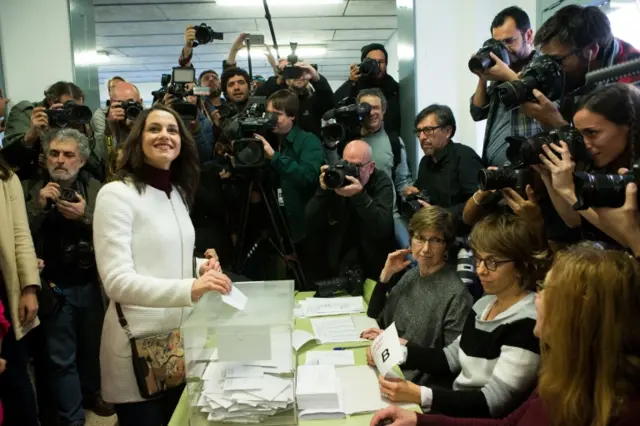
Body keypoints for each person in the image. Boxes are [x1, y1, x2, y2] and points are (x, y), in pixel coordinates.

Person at [370, 243, 640, 426]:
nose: (538, 298)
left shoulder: (621, 411)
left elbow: (493, 403)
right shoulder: (562, 376)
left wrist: (421, 398)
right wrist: (418, 420)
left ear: (580, 316)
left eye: (549, 289)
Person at [93, 105, 233, 426]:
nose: (164, 136)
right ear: (137, 139)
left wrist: (199, 267)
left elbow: (164, 255)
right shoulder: (116, 195)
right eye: (154, 129)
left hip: (177, 347)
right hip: (137, 351)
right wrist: (191, 288)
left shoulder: (177, 194)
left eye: (172, 130)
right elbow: (116, 281)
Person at [373, 214, 545, 418]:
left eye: (492, 262)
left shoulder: (527, 322)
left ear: (521, 266)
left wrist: (421, 395)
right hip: (456, 410)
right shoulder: (484, 304)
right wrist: (389, 351)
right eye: (479, 259)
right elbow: (450, 357)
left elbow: (493, 402)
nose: (480, 270)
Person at [364, 206, 472, 373]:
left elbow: (454, 362)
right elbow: (375, 316)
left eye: (436, 240)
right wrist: (385, 277)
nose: (426, 248)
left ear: (447, 246)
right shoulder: (411, 275)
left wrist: (403, 345)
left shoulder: (457, 295)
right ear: (410, 241)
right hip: (389, 363)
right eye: (420, 238)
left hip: (416, 379)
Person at [536, 83, 640, 250]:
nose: (584, 144)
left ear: (629, 126)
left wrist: (568, 190)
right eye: (580, 135)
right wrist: (548, 176)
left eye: (592, 133)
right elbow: (574, 220)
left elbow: (628, 237)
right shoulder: (600, 165)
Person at [305, 140, 395, 283]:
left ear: (371, 167)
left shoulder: (380, 181)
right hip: (337, 260)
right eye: (346, 164)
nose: (350, 171)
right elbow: (309, 220)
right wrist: (324, 191)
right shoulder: (336, 179)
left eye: (356, 166)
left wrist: (359, 195)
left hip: (372, 262)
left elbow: (383, 227)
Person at [470, 6, 543, 167]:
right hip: (496, 171)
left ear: (528, 36)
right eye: (498, 44)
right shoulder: (501, 71)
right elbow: (477, 112)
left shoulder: (542, 67)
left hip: (530, 170)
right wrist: (482, 76)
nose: (504, 49)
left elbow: (542, 106)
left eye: (509, 41)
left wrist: (506, 74)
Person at [0, 151, 41, 426]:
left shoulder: (5, 176)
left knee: (16, 383)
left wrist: (29, 287)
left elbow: (20, 234)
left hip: (5, 294)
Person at [403, 104, 483, 229]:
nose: (422, 137)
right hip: (436, 231)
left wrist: (439, 214)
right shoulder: (425, 162)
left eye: (428, 130)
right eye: (419, 131)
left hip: (465, 232)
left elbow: (479, 203)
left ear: (447, 131)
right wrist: (414, 192)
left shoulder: (465, 157)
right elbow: (422, 191)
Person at [334, 43, 401, 133]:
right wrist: (351, 82)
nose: (377, 66)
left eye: (381, 62)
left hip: (388, 140)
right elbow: (335, 105)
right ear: (364, 64)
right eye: (372, 62)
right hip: (358, 139)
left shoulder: (394, 88)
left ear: (386, 64)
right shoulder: (355, 84)